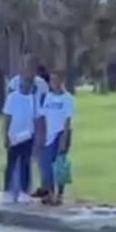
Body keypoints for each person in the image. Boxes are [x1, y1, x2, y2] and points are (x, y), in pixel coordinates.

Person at [2, 71, 42, 203]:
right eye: (24, 82)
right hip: (13, 136)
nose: (26, 85)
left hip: (28, 136)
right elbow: (7, 117)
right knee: (11, 164)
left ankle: (24, 191)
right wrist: (5, 135)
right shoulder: (12, 97)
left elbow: (37, 120)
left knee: (25, 164)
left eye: (29, 83)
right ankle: (8, 191)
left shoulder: (34, 100)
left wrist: (37, 140)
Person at [37, 69, 74, 205]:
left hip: (61, 133)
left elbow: (67, 120)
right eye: (52, 80)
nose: (54, 83)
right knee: (47, 166)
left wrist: (64, 138)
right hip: (49, 135)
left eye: (56, 80)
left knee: (60, 165)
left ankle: (60, 194)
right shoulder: (48, 97)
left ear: (61, 81)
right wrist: (41, 135)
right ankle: (50, 192)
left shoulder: (67, 99)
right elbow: (42, 116)